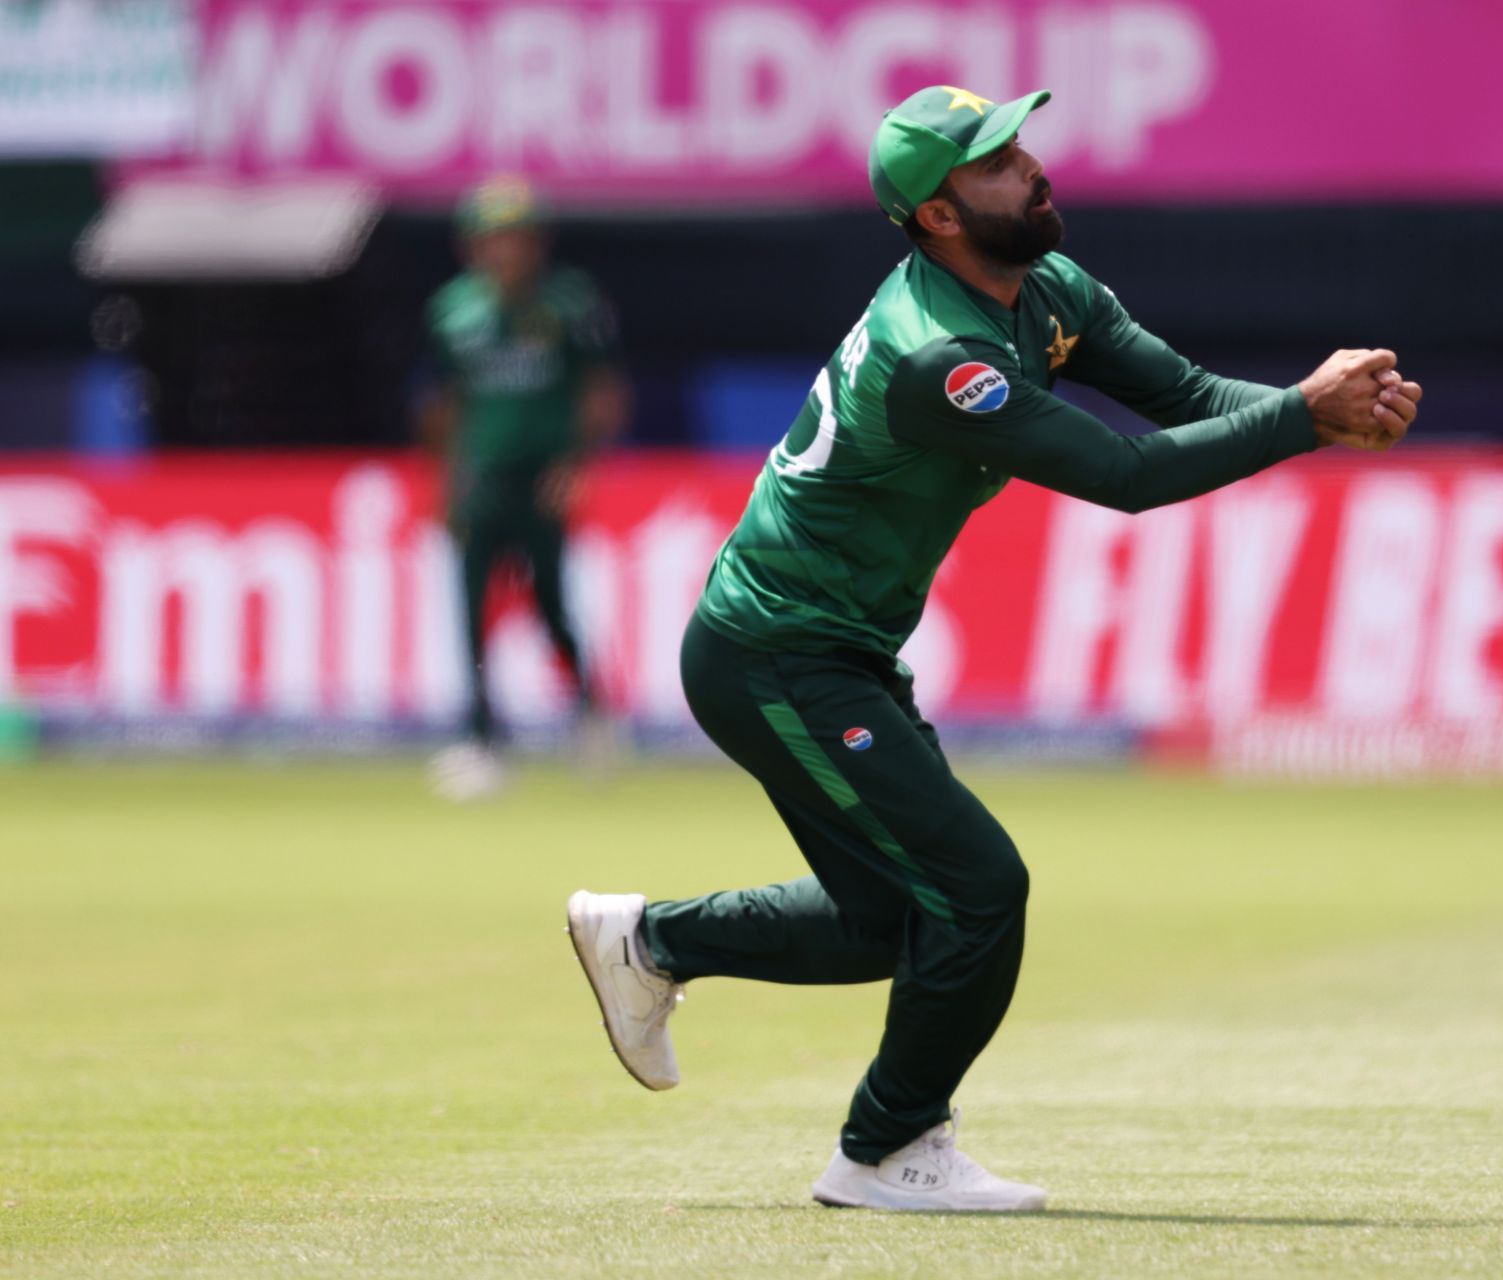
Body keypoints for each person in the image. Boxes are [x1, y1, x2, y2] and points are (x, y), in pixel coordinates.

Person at [565, 87, 1420, 1210]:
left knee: (892, 918)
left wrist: (1322, 408)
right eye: (996, 162)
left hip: (841, 647)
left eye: (1018, 144)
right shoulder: (939, 357)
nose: (1031, 167)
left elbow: (1187, 398)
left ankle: (647, 940)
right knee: (977, 891)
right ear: (937, 217)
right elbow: (1124, 476)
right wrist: (1300, 415)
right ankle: (887, 1149)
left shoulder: (1047, 286)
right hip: (774, 653)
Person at [419, 177, 627, 801]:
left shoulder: (569, 305)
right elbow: (444, 402)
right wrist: (446, 480)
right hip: (481, 477)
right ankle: (482, 739)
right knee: (469, 608)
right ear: (473, 246)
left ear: (536, 244)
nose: (505, 251)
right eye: (493, 239)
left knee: (549, 605)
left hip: (544, 478)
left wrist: (576, 464)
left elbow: (601, 394)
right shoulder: (454, 310)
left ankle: (591, 711)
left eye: (517, 238)